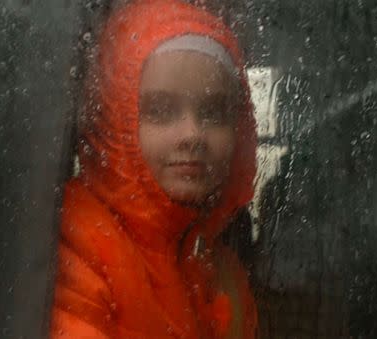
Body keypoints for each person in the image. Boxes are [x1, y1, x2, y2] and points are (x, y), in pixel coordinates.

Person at [50, 0, 258, 337]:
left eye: (214, 113)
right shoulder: (77, 239)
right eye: (160, 111)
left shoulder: (220, 271)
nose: (192, 134)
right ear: (117, 119)